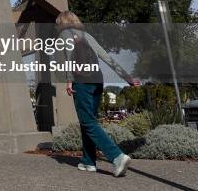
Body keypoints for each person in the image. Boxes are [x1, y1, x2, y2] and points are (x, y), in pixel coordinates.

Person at [56, 11, 139, 177]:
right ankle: (88, 161)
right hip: (97, 81)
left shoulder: (64, 34)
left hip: (82, 81)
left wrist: (69, 80)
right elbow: (107, 58)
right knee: (89, 121)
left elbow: (70, 57)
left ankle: (117, 156)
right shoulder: (87, 35)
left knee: (87, 122)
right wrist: (127, 77)